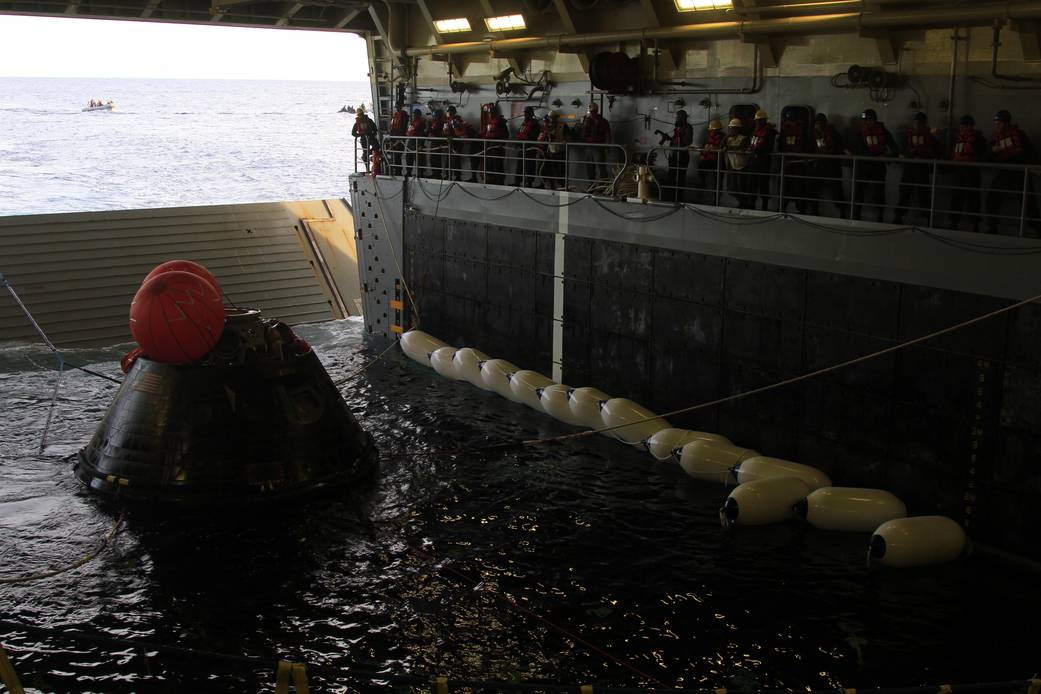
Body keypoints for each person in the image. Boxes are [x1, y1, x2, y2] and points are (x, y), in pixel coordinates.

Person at [985, 109, 1038, 233]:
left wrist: (1033, 168)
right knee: (992, 198)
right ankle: (992, 226)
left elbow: (1031, 153)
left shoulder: (1019, 135)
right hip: (1005, 172)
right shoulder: (995, 139)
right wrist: (992, 151)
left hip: (1020, 172)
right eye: (996, 122)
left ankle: (1037, 228)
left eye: (999, 122)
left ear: (1007, 123)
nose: (997, 125)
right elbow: (986, 156)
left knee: (1028, 201)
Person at [893, 112, 939, 225]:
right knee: (904, 192)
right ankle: (899, 216)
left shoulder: (930, 137)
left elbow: (936, 151)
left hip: (921, 168)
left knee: (923, 193)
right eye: (915, 122)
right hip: (909, 167)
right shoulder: (908, 136)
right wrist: (910, 154)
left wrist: (924, 155)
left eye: (920, 122)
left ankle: (928, 217)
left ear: (924, 123)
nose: (917, 124)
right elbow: (902, 150)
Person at [852, 108, 896, 222]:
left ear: (874, 120)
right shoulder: (861, 133)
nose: (866, 122)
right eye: (865, 120)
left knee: (879, 191)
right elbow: (857, 149)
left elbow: (894, 147)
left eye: (868, 120)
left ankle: (880, 216)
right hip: (864, 166)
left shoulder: (883, 131)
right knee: (859, 191)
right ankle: (856, 215)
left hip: (878, 166)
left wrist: (887, 156)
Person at [947, 114, 987, 232]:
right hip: (959, 172)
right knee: (956, 197)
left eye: (965, 125)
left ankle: (975, 224)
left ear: (971, 127)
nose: (962, 128)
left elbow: (982, 155)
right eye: (961, 125)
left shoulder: (979, 140)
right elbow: (952, 154)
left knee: (973, 198)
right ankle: (954, 222)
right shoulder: (958, 139)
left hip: (972, 172)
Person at [809, 113, 850, 217]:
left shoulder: (833, 133)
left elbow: (842, 145)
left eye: (820, 123)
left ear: (825, 123)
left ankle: (843, 213)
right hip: (819, 165)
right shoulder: (814, 135)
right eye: (817, 123)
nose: (819, 125)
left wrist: (846, 152)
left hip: (832, 166)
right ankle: (814, 211)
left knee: (837, 191)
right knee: (812, 188)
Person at [778, 110, 810, 213]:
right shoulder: (798, 130)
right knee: (789, 185)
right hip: (791, 162)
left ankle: (793, 207)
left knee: (794, 186)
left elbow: (781, 145)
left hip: (795, 162)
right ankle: (785, 206)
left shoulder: (789, 130)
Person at [748, 109, 777, 210]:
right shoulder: (755, 131)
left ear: (764, 120)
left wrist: (758, 151)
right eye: (757, 120)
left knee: (763, 183)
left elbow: (768, 146)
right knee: (752, 183)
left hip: (763, 161)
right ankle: (752, 203)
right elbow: (751, 144)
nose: (758, 122)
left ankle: (764, 205)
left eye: (760, 120)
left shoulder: (770, 132)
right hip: (754, 161)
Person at [664, 110, 694, 203]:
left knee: (680, 176)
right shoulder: (678, 128)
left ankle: (679, 197)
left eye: (678, 117)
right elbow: (675, 140)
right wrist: (669, 138)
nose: (677, 119)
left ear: (683, 118)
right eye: (676, 117)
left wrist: (679, 136)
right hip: (673, 155)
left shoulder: (688, 128)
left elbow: (687, 141)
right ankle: (671, 196)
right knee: (672, 175)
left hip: (682, 156)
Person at [694, 119, 725, 204]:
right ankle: (702, 181)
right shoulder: (708, 137)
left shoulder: (723, 137)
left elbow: (722, 147)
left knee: (718, 181)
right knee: (701, 164)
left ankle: (717, 199)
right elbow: (703, 146)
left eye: (713, 130)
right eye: (711, 130)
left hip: (718, 162)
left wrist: (711, 147)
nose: (711, 131)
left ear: (717, 130)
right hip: (708, 160)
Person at [724, 118, 752, 209]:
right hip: (733, 165)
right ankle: (740, 202)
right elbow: (721, 146)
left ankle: (744, 203)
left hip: (742, 165)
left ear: (738, 129)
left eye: (733, 128)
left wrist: (729, 148)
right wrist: (727, 136)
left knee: (741, 186)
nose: (732, 130)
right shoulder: (729, 139)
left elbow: (740, 147)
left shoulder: (744, 138)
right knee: (733, 186)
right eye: (731, 128)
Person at [580, 102, 611, 185]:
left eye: (592, 111)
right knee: (589, 166)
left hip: (599, 147)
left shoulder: (603, 121)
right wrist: (586, 122)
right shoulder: (587, 121)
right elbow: (583, 134)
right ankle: (591, 184)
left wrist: (607, 147)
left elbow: (607, 134)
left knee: (600, 166)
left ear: (596, 111)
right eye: (590, 111)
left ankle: (603, 185)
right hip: (589, 147)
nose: (591, 113)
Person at [537, 111, 569, 189]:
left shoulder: (563, 125)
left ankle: (563, 186)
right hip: (551, 151)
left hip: (560, 151)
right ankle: (552, 186)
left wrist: (565, 141)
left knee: (561, 170)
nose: (552, 119)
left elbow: (568, 137)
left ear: (556, 118)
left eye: (553, 118)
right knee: (551, 170)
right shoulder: (548, 126)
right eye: (550, 118)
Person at [481, 103, 510, 185]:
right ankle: (491, 178)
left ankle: (500, 180)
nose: (490, 114)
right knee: (489, 162)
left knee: (497, 163)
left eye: (491, 112)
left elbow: (506, 134)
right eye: (489, 113)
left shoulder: (500, 122)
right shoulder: (489, 122)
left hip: (497, 146)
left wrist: (502, 144)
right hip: (489, 145)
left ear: (495, 112)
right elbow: (486, 132)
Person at [514, 106, 542, 187]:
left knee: (530, 166)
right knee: (519, 165)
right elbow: (519, 133)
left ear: (531, 114)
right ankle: (517, 182)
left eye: (527, 113)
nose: (525, 114)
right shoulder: (524, 124)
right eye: (525, 113)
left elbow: (535, 136)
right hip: (522, 147)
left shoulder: (535, 124)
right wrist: (517, 143)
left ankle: (529, 182)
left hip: (530, 148)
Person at [449, 113, 480, 183]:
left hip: (476, 144)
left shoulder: (466, 128)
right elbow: (460, 139)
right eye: (455, 128)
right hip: (469, 143)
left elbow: (472, 136)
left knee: (474, 160)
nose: (456, 128)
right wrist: (457, 149)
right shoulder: (457, 129)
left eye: (457, 127)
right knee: (471, 160)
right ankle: (472, 177)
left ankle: (474, 178)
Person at [351, 105, 378, 173]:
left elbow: (353, 133)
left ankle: (366, 156)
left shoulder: (358, 122)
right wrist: (372, 134)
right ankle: (366, 158)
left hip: (365, 139)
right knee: (376, 146)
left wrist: (359, 135)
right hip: (368, 138)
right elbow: (375, 129)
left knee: (369, 151)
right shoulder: (368, 120)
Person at [404, 108, 429, 178]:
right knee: (409, 158)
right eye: (414, 114)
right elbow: (408, 131)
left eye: (415, 114)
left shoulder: (422, 122)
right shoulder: (412, 122)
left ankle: (420, 173)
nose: (414, 115)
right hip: (411, 141)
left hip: (417, 142)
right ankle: (408, 172)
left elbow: (423, 134)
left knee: (419, 158)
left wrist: (421, 144)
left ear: (419, 115)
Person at [387, 99, 409, 176]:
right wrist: (391, 137)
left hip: (400, 138)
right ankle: (396, 170)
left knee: (398, 155)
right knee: (395, 155)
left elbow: (403, 127)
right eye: (396, 107)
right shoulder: (395, 115)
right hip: (394, 137)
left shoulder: (404, 116)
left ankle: (398, 171)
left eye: (398, 107)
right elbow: (392, 127)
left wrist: (400, 137)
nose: (397, 108)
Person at [428, 109, 447, 178]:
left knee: (437, 159)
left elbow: (441, 133)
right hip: (433, 142)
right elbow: (430, 131)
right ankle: (434, 173)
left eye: (435, 116)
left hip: (438, 143)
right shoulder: (433, 123)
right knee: (432, 159)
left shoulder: (443, 123)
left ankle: (437, 174)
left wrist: (432, 132)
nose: (434, 117)